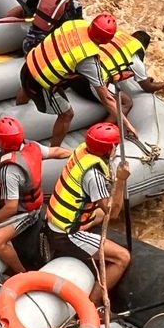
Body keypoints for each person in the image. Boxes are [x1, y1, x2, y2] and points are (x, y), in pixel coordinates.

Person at [17, 14, 164, 148]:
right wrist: (128, 125)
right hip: (42, 83)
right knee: (67, 115)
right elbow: (107, 99)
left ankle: (18, 108)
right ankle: (55, 149)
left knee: (27, 87)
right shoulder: (89, 60)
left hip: (29, 65)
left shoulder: (76, 24)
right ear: (107, 40)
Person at [0, 117, 73, 275]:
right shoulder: (32, 146)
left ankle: (20, 273)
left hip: (25, 211)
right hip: (11, 196)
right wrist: (75, 154)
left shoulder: (9, 170)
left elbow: (11, 207)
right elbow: (56, 151)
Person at [42, 122, 130, 305]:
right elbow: (113, 213)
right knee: (122, 257)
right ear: (110, 148)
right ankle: (93, 303)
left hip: (58, 217)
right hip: (66, 233)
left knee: (97, 213)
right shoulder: (94, 176)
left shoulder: (83, 150)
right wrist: (121, 180)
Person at [21, 0, 93, 53]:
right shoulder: (74, 5)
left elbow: (30, 3)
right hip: (42, 48)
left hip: (28, 40)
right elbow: (76, 29)